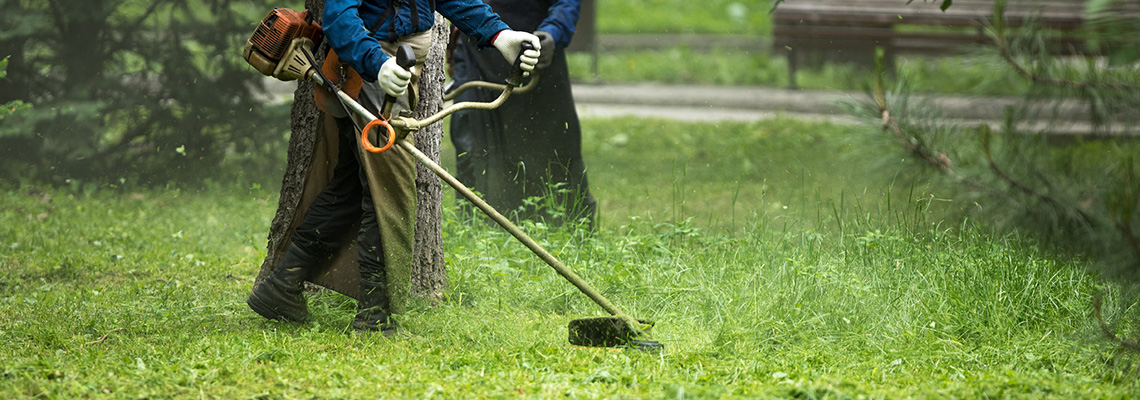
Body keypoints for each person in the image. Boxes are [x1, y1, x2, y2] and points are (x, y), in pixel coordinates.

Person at [247, 0, 541, 336]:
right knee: (390, 191)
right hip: (368, 70)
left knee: (351, 188)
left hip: (393, 71)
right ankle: (374, 317)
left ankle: (283, 284)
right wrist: (378, 64)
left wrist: (499, 34)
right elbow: (339, 17)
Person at [448, 0, 597, 228]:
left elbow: (566, 3)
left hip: (539, 52)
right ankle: (478, 233)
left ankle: (564, 231)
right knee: (476, 152)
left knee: (555, 156)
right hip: (476, 52)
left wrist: (552, 34)